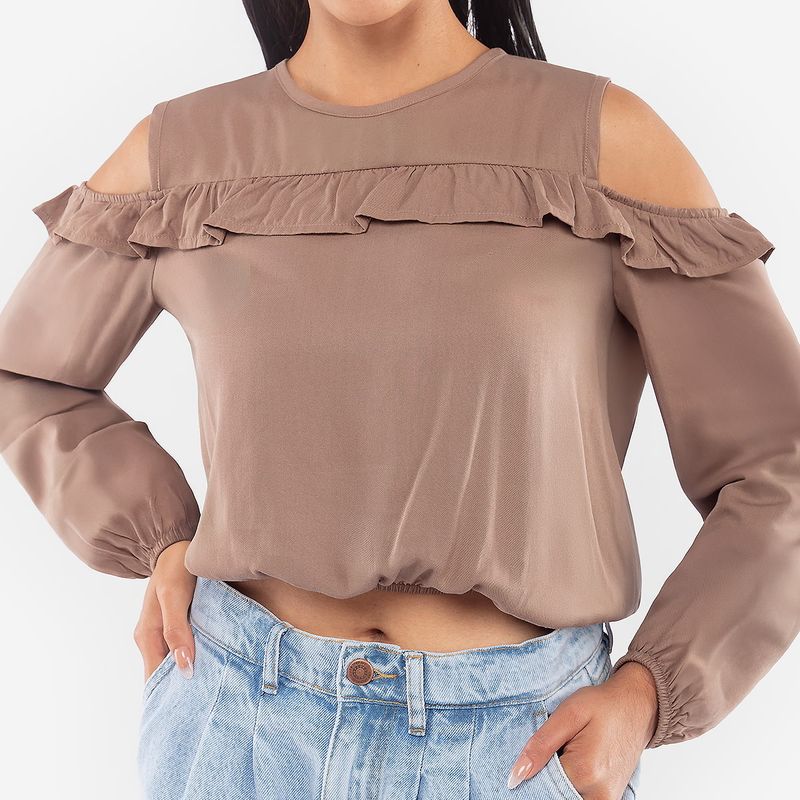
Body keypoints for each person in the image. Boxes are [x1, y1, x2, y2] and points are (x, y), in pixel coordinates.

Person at [1, 2, 797, 798]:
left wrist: (649, 694)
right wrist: (162, 539)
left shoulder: (602, 143)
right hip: (235, 731)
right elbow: (28, 376)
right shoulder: (184, 152)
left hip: (515, 747)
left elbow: (778, 466)